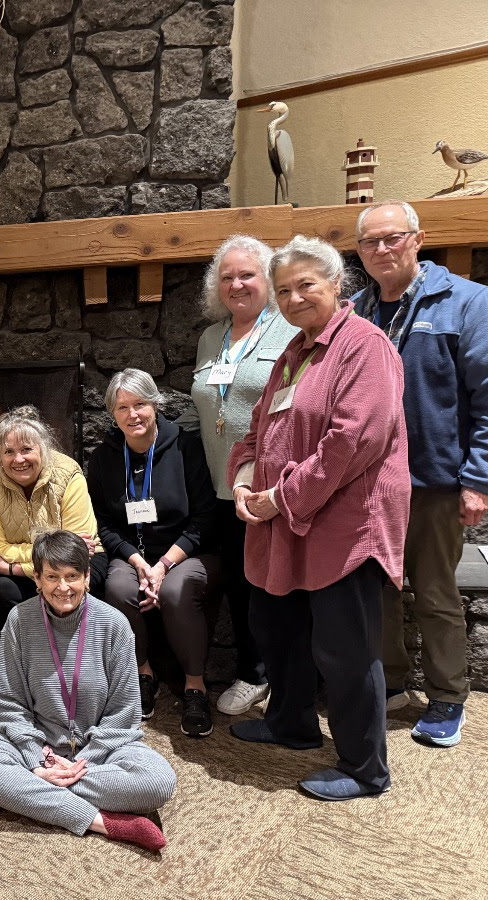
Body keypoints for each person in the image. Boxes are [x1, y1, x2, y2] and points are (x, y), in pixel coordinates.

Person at [228, 235, 410, 801]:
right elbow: (257, 428)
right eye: (283, 289)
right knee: (277, 625)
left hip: (346, 524)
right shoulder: (296, 351)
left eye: (307, 284)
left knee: (345, 648)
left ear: (337, 284)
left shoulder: (365, 346)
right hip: (282, 520)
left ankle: (365, 768)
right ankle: (291, 724)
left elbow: (353, 441)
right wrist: (243, 478)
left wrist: (281, 497)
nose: (294, 297)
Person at [352, 200, 487, 748]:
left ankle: (448, 696)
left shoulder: (467, 303)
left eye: (392, 238)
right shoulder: (357, 309)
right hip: (368, 485)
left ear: (417, 239)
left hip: (435, 482)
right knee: (376, 589)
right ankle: (391, 685)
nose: (382, 250)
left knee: (434, 592)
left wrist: (478, 479)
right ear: (359, 253)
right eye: (370, 243)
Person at [0, 530, 176, 851]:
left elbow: (123, 715)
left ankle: (16, 793)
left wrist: (83, 762)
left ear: (88, 577)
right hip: (38, 743)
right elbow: (9, 704)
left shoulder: (114, 624)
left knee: (158, 781)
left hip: (102, 750)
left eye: (73, 576)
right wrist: (36, 758)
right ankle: (105, 822)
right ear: (38, 580)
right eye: (52, 577)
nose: (63, 587)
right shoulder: (19, 620)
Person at [179, 236, 298, 717]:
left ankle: (273, 677)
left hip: (270, 487)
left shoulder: (289, 330)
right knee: (242, 586)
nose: (237, 284)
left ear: (268, 279)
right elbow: (202, 409)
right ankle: (258, 672)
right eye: (227, 276)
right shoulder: (212, 338)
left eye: (247, 274)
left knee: (277, 585)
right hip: (220, 488)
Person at [87, 369, 219, 738]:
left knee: (177, 591)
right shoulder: (105, 457)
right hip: (133, 555)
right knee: (116, 589)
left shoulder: (185, 446)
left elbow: (205, 516)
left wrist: (162, 566)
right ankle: (143, 674)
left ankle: (196, 687)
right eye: (122, 407)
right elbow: (102, 523)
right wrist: (137, 561)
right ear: (112, 414)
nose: (133, 415)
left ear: (155, 404)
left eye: (140, 404)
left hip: (187, 551)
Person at [0, 406, 107, 677]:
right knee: (2, 590)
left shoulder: (69, 475)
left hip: (82, 560)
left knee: (74, 582)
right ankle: (22, 671)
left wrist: (11, 567)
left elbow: (75, 552)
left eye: (27, 449)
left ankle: (78, 669)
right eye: (9, 452)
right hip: (32, 566)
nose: (18, 459)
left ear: (43, 448)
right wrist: (39, 559)